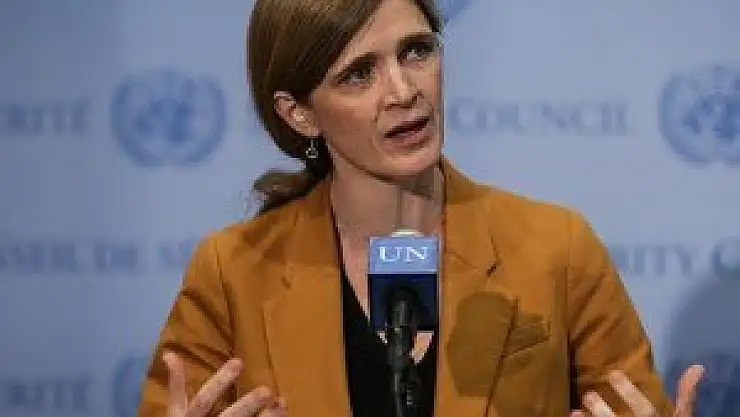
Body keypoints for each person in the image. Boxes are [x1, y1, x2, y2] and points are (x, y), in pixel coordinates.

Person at [136, 0, 706, 416]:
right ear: (299, 114)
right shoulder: (232, 272)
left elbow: (628, 404)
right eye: (359, 74)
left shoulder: (556, 248)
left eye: (416, 51)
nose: (404, 91)